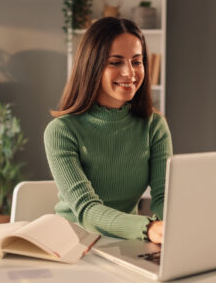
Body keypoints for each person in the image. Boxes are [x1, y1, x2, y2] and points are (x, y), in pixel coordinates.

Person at [44, 17, 172, 243]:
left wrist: (177, 224)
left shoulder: (154, 125)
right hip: (72, 242)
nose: (130, 74)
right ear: (92, 66)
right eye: (116, 62)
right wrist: (148, 227)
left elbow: (163, 197)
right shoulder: (61, 131)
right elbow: (86, 208)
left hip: (127, 242)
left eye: (137, 61)